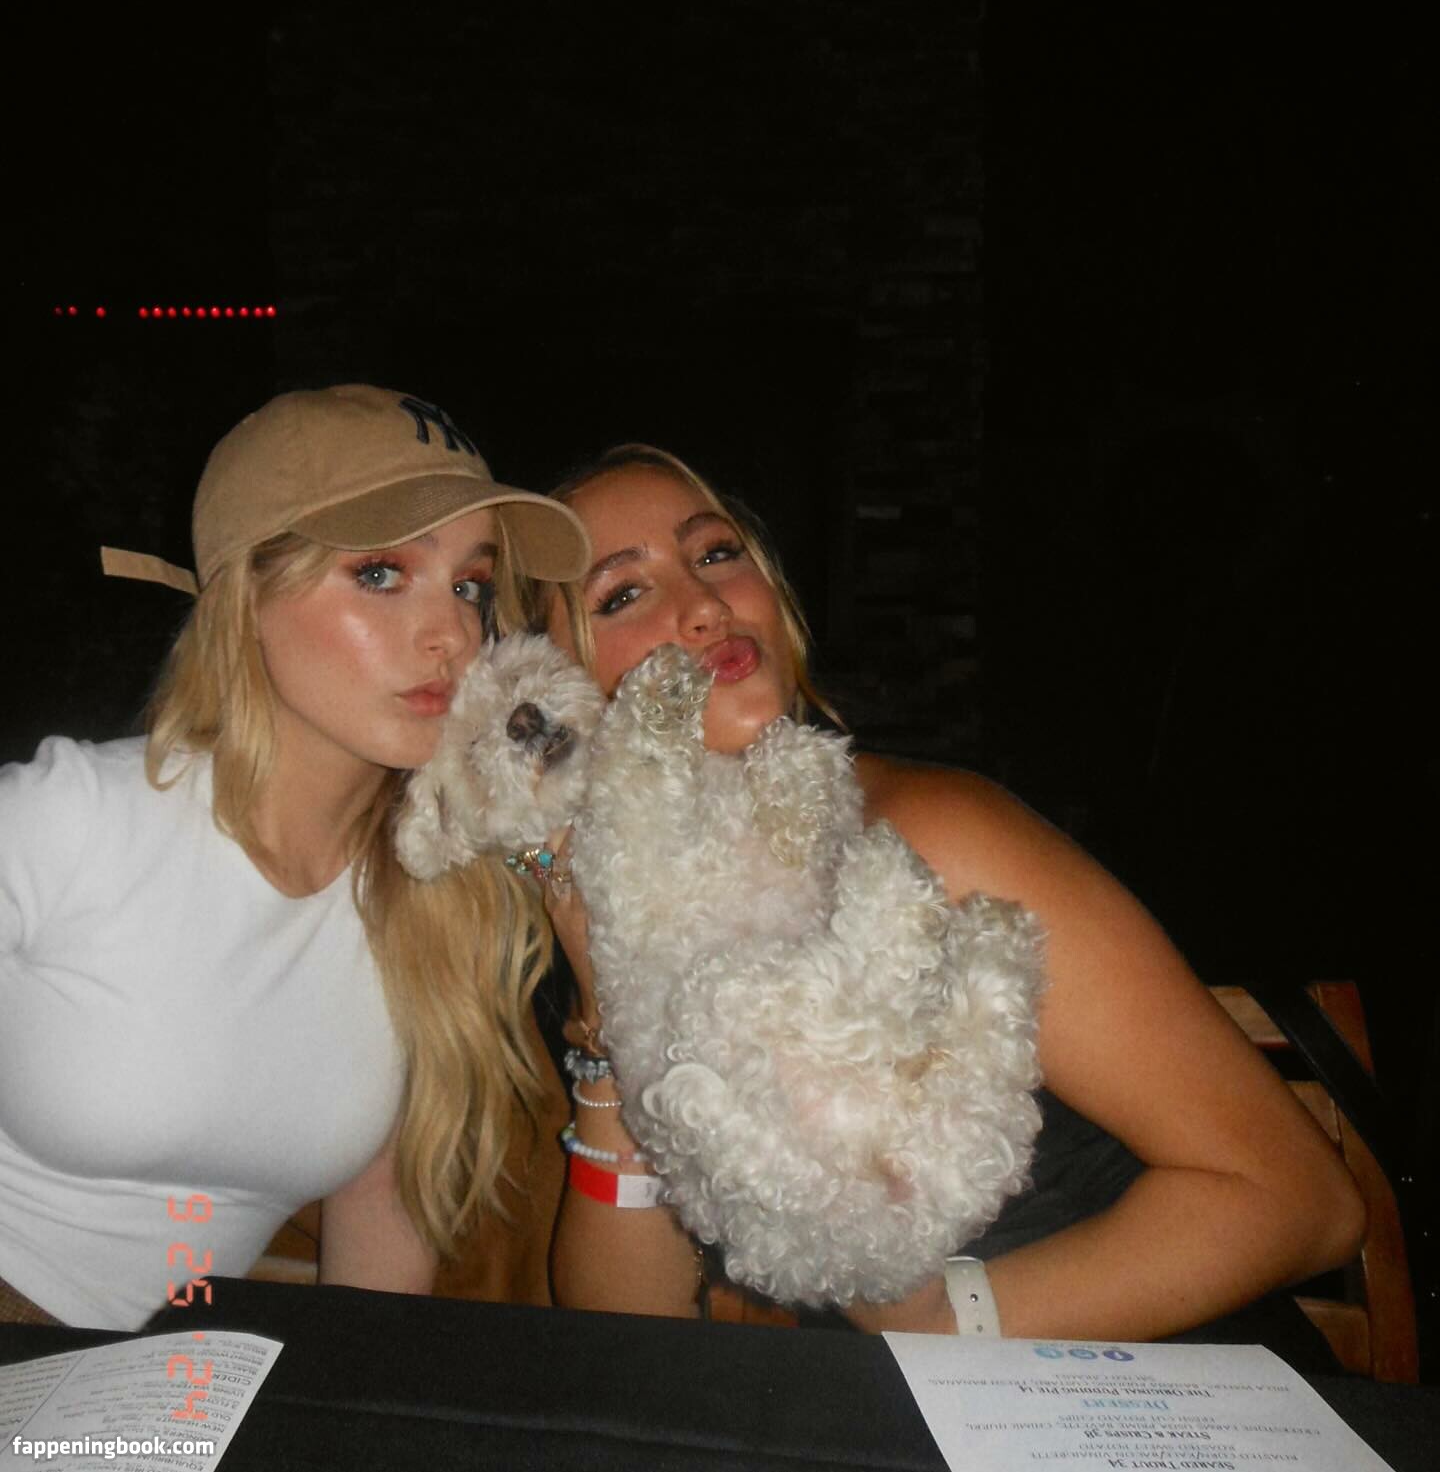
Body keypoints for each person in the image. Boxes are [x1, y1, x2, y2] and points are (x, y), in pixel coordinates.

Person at [536, 443, 1365, 1356]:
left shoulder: (935, 832)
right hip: (922, 1408)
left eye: (716, 552)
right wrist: (609, 1019)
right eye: (623, 594)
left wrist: (943, 1324)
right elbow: (631, 1340)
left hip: (1166, 1392)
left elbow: (1301, 1200)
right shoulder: (654, 924)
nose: (704, 604)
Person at [0, 383, 589, 1329]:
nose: (450, 634)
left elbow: (381, 1231)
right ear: (245, 595)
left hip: (171, 1381)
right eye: (382, 573)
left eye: (470, 586)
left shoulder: (437, 905)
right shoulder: (73, 818)